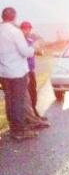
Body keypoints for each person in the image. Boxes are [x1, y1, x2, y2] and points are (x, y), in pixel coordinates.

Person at [0, 7, 37, 140]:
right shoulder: (15, 32)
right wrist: (33, 48)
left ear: (2, 16)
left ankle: (13, 129)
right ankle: (20, 131)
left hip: (3, 73)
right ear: (14, 17)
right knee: (19, 101)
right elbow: (25, 52)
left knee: (9, 100)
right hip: (17, 72)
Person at [20, 21, 46, 120]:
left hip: (31, 70)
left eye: (28, 29)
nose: (26, 31)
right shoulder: (20, 41)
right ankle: (28, 116)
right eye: (24, 29)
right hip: (23, 72)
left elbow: (39, 51)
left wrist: (39, 50)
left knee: (33, 92)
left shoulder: (30, 41)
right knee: (26, 95)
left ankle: (34, 112)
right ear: (21, 30)